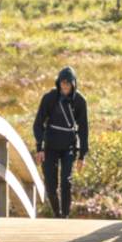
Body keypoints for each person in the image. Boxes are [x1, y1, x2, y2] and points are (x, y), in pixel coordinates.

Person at [32, 67, 89, 219]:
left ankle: (65, 215)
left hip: (69, 146)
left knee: (66, 181)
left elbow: (83, 128)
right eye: (62, 84)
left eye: (68, 84)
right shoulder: (49, 98)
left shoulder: (80, 101)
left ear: (73, 84)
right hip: (50, 145)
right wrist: (40, 147)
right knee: (50, 184)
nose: (65, 87)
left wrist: (82, 155)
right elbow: (38, 124)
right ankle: (57, 213)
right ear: (58, 83)